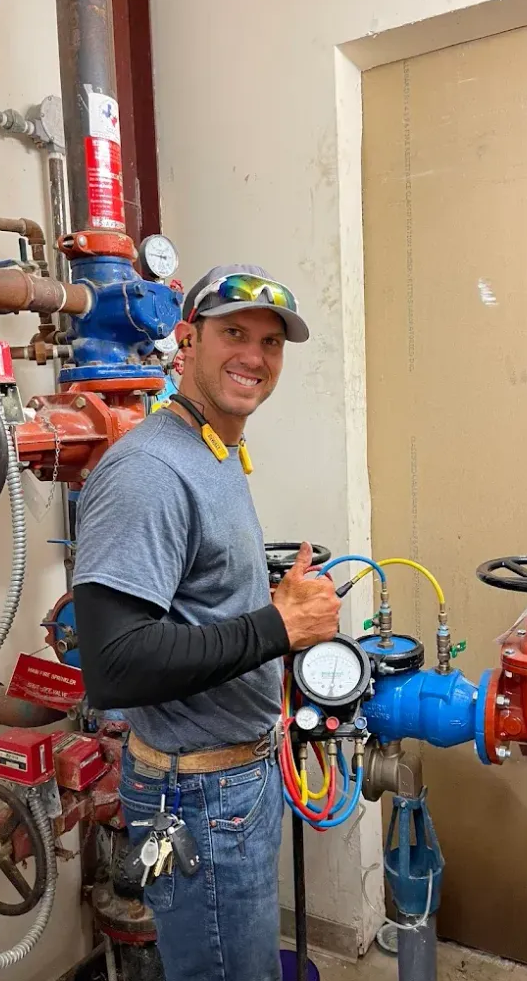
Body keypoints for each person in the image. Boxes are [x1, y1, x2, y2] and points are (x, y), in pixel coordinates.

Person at [72, 264, 340, 981]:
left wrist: (270, 606)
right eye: (233, 334)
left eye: (271, 342)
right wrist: (278, 628)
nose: (255, 356)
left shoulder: (214, 448)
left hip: (231, 780)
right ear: (185, 341)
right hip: (200, 797)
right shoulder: (149, 471)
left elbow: (197, 601)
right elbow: (115, 665)